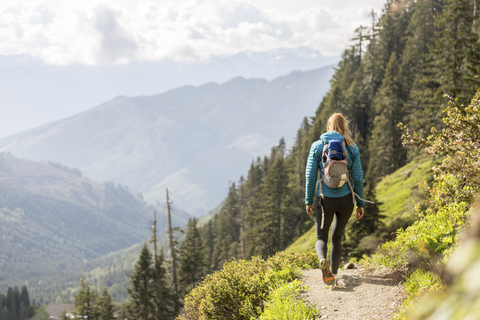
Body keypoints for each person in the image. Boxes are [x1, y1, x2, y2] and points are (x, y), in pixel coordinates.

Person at [305, 113, 366, 286]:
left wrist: (308, 201)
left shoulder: (317, 146)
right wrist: (360, 203)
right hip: (346, 200)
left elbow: (310, 177)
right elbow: (358, 178)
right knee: (337, 238)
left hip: (325, 201)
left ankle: (323, 261)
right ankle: (333, 274)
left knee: (321, 237)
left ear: (328, 128)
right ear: (344, 128)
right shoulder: (351, 147)